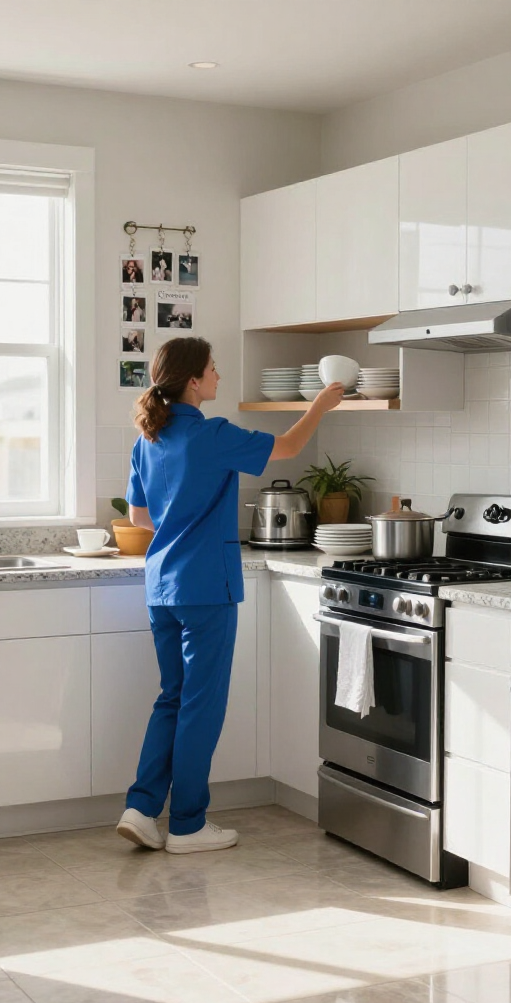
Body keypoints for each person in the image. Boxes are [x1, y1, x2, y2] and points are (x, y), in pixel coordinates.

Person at [116, 337, 343, 854]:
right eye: (213, 369)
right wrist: (319, 407)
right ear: (193, 380)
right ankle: (189, 825)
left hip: (162, 587)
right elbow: (286, 447)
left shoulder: (148, 437)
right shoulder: (210, 434)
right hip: (206, 586)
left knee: (172, 697)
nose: (218, 376)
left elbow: (139, 519)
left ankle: (142, 807)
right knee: (201, 703)